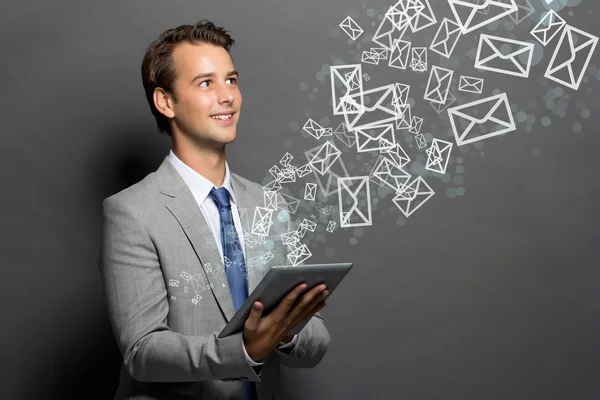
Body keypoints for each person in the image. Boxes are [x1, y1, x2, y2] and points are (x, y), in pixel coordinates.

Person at [99, 19, 330, 400]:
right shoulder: (131, 212)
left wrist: (285, 329)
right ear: (166, 101)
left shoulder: (270, 205)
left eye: (232, 80)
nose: (228, 96)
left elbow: (316, 341)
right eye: (206, 83)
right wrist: (244, 349)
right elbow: (142, 352)